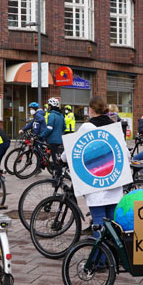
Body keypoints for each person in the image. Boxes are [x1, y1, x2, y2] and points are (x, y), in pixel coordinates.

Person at [61, 96, 126, 237]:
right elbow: (125, 154)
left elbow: (72, 150)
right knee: (112, 222)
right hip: (114, 182)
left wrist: (62, 158)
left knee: (98, 221)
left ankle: (101, 258)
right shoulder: (114, 127)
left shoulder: (87, 127)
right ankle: (112, 255)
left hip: (96, 183)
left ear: (91, 109)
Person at [40, 98, 66, 166]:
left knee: (55, 159)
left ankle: (57, 174)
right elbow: (64, 127)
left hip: (52, 140)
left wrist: (41, 135)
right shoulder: (61, 115)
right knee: (55, 156)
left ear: (51, 106)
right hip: (59, 139)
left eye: (49, 105)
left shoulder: (51, 115)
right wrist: (58, 132)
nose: (48, 107)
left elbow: (49, 128)